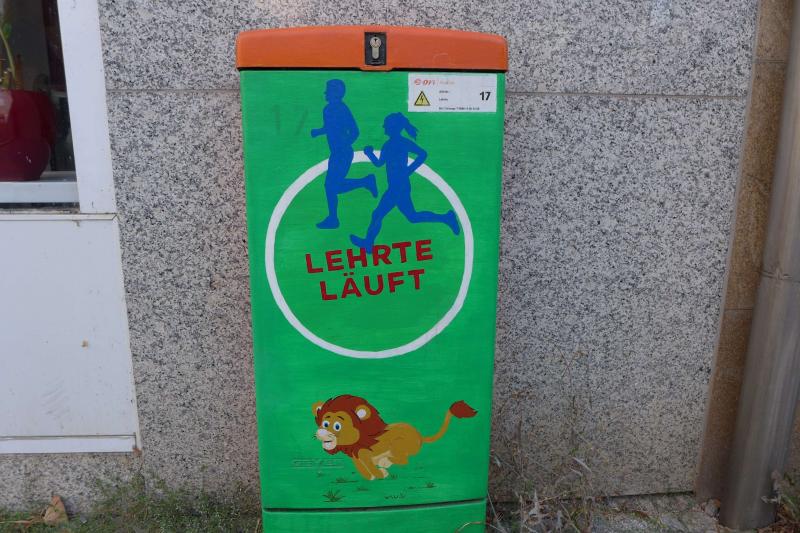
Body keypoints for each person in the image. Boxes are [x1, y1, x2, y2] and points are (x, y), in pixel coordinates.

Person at [350, 112, 459, 253]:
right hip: (396, 186)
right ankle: (446, 218)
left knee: (378, 214)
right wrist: (369, 153)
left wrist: (409, 170)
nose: (383, 127)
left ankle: (368, 244)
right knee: (412, 216)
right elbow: (379, 163)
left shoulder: (402, 143)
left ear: (393, 127)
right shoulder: (387, 145)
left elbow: (423, 154)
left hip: (399, 187)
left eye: (386, 125)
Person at [311, 79, 378, 229]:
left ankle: (333, 218)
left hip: (343, 153)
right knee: (332, 186)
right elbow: (330, 128)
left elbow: (355, 131)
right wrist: (318, 132)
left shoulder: (342, 109)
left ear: (336, 93)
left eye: (328, 90)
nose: (325, 93)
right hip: (336, 153)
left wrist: (343, 145)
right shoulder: (327, 110)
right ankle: (365, 182)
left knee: (330, 186)